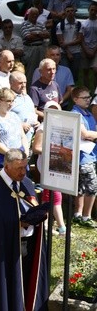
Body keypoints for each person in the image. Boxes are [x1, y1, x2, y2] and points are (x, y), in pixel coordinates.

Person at [0, 149, 49, 311]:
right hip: (6, 250)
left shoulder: (27, 183)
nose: (23, 172)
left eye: (25, 167)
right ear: (7, 166)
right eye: (19, 168)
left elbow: (32, 205)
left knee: (28, 283)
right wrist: (17, 223)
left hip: (29, 245)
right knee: (11, 287)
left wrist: (38, 215)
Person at [31, 101, 66, 236]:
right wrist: (53, 151)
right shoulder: (43, 127)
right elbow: (36, 148)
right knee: (54, 195)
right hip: (47, 165)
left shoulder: (61, 126)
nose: (54, 114)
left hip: (59, 164)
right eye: (50, 110)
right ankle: (62, 227)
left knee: (50, 195)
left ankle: (45, 224)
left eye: (56, 110)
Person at [0, 88, 28, 179]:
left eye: (13, 101)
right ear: (0, 100)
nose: (11, 104)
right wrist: (12, 156)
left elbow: (22, 136)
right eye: (8, 101)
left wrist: (25, 154)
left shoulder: (14, 116)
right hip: (1, 158)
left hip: (19, 156)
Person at [71, 86, 97, 228]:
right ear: (75, 99)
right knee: (92, 186)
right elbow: (85, 134)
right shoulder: (76, 114)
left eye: (89, 97)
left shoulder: (87, 113)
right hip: (83, 156)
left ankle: (78, 215)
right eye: (85, 98)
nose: (88, 100)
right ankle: (86, 216)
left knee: (81, 187)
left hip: (90, 154)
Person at [32, 45, 73, 110]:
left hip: (62, 106)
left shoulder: (66, 71)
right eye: (52, 55)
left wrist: (60, 102)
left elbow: (69, 90)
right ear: (46, 56)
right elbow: (35, 89)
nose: (55, 57)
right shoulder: (38, 71)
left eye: (57, 55)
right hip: (43, 108)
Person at [21, 7, 50, 84]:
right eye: (33, 14)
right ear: (29, 14)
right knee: (31, 71)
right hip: (31, 48)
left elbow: (47, 35)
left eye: (36, 15)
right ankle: (29, 88)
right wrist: (40, 34)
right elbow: (28, 37)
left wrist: (35, 33)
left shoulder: (40, 24)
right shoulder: (24, 24)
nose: (35, 16)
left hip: (41, 48)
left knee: (42, 69)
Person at [9, 71, 39, 146]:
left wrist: (37, 123)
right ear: (11, 83)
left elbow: (33, 113)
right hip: (15, 141)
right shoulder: (8, 98)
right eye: (20, 83)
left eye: (25, 82)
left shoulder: (27, 97)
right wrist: (20, 125)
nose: (23, 85)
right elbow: (3, 118)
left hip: (29, 140)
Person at [56, 4, 82, 81]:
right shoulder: (60, 25)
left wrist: (67, 44)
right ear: (65, 13)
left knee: (75, 74)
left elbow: (79, 39)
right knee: (65, 72)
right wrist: (68, 52)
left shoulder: (79, 24)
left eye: (72, 11)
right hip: (64, 52)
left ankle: (74, 91)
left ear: (74, 12)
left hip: (76, 52)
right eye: (68, 11)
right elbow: (61, 41)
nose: (70, 13)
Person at [81, 2, 97, 89]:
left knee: (95, 70)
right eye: (92, 10)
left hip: (95, 50)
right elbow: (81, 39)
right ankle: (86, 90)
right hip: (85, 49)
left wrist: (94, 50)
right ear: (88, 10)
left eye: (95, 10)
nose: (93, 12)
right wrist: (86, 50)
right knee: (85, 71)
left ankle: (95, 91)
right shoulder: (84, 24)